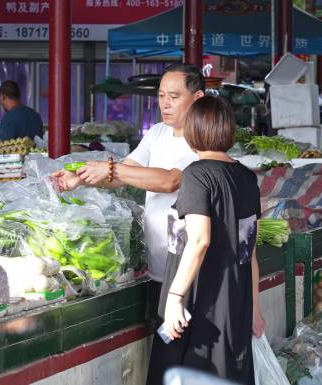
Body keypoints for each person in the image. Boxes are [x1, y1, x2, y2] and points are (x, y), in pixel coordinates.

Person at [52, 64, 205, 300]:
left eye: (174, 97)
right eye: (161, 96)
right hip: (158, 263)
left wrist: (110, 169)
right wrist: (81, 179)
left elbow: (171, 181)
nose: (165, 104)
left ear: (197, 98)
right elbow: (125, 174)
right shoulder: (157, 132)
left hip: (190, 268)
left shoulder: (203, 137)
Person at [153, 96, 265, 385]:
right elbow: (248, 251)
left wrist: (175, 298)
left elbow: (199, 240)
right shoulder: (246, 178)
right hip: (235, 303)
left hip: (198, 301)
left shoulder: (197, 175)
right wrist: (254, 308)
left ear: (194, 131)